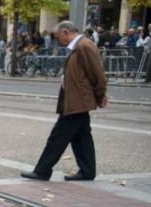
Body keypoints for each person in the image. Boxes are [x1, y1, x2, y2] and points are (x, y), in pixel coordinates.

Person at [22, 20, 107, 181]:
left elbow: (98, 74)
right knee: (81, 137)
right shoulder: (79, 47)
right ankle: (87, 171)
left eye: (57, 36)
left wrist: (101, 96)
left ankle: (42, 170)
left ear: (66, 32)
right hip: (75, 100)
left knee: (58, 137)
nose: (56, 40)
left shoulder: (85, 46)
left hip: (78, 101)